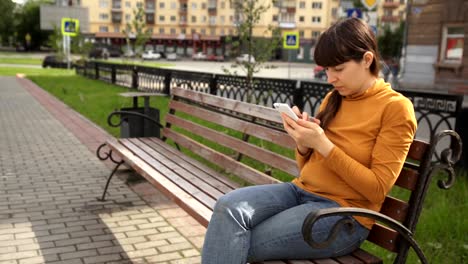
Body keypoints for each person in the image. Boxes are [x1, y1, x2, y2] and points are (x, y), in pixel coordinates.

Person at [201, 17, 417, 263]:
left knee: (235, 240)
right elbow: (308, 170)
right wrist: (304, 143)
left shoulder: (395, 108)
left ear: (367, 60)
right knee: (227, 207)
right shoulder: (334, 98)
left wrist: (323, 144)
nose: (330, 79)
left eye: (338, 69)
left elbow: (377, 189)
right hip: (299, 192)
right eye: (326, 70)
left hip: (343, 216)